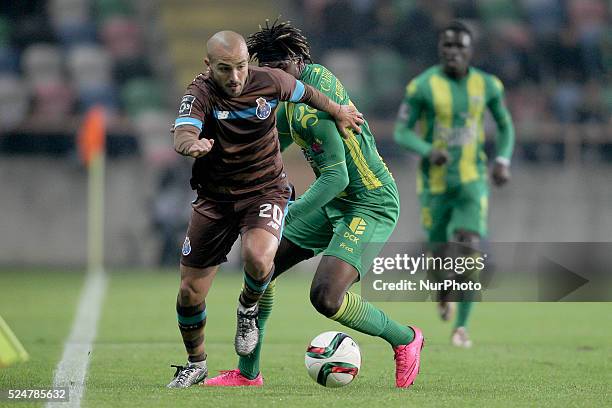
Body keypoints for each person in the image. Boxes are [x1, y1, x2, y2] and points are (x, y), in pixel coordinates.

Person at [204, 20, 424, 389]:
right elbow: (280, 140)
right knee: (262, 265)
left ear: (295, 60)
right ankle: (247, 373)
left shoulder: (316, 98)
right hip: (332, 199)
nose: (272, 78)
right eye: (266, 70)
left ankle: (405, 338)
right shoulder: (289, 94)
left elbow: (337, 177)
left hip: (367, 201)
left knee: (325, 297)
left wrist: (286, 211)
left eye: (278, 70)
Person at [167, 30, 364, 388]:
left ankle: (248, 307)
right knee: (189, 293)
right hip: (215, 200)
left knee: (259, 259)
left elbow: (308, 94)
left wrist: (338, 111)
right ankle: (196, 364)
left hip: (264, 193)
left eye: (241, 67)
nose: (236, 77)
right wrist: (191, 145)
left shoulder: (270, 80)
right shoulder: (198, 93)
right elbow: (182, 131)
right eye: (225, 69)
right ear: (208, 66)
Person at [393, 21, 515, 347]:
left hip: (472, 180)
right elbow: (401, 131)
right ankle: (442, 291)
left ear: (471, 50)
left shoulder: (488, 85)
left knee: (469, 245)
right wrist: (426, 150)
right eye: (447, 46)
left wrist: (502, 160)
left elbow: (505, 125)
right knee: (439, 255)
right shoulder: (422, 86)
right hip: (434, 185)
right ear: (439, 49)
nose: (453, 52)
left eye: (460, 46)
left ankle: (461, 327)